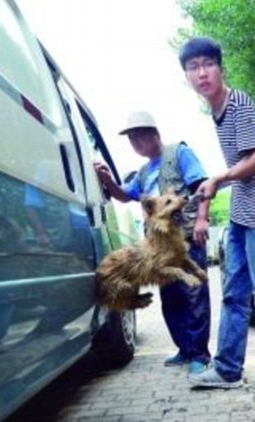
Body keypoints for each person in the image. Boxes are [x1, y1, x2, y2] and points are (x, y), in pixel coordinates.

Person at [179, 37, 255, 396]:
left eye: (207, 64)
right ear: (187, 76)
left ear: (220, 68)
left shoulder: (239, 102)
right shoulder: (215, 110)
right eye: (193, 67)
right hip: (239, 213)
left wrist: (221, 177)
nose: (201, 73)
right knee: (233, 294)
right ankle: (228, 369)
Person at [94, 111, 211, 374]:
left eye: (138, 137)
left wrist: (203, 218)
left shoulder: (179, 153)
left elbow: (202, 185)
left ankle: (200, 356)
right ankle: (184, 349)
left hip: (186, 236)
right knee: (170, 300)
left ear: (154, 135)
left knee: (193, 296)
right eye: (131, 140)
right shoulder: (144, 171)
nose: (135, 144)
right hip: (158, 247)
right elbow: (126, 196)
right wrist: (108, 181)